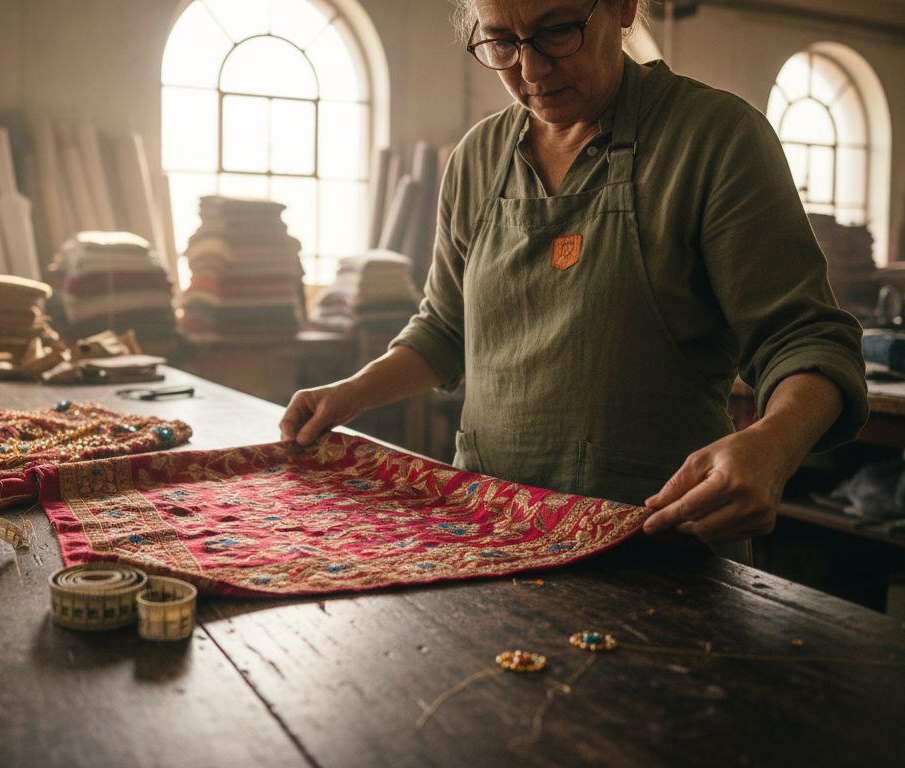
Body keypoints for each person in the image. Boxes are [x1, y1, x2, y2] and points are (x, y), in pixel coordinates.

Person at [279, 0, 868, 546]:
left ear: (624, 7)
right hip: (486, 527)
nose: (531, 70)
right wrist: (351, 393)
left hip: (652, 541)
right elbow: (444, 329)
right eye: (501, 43)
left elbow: (807, 341)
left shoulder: (712, 140)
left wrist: (771, 446)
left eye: (558, 30)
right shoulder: (479, 158)